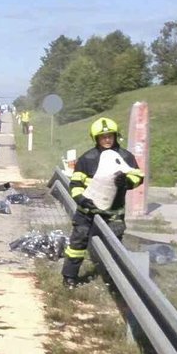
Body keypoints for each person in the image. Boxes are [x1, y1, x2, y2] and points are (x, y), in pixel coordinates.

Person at [61, 117, 144, 288]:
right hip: (87, 211)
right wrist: (82, 199)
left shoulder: (125, 157)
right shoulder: (87, 159)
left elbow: (138, 177)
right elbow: (75, 184)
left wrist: (127, 182)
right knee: (78, 242)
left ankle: (113, 281)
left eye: (110, 136)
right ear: (96, 138)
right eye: (103, 137)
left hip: (113, 213)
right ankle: (69, 277)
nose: (107, 139)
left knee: (113, 245)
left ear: (115, 136)